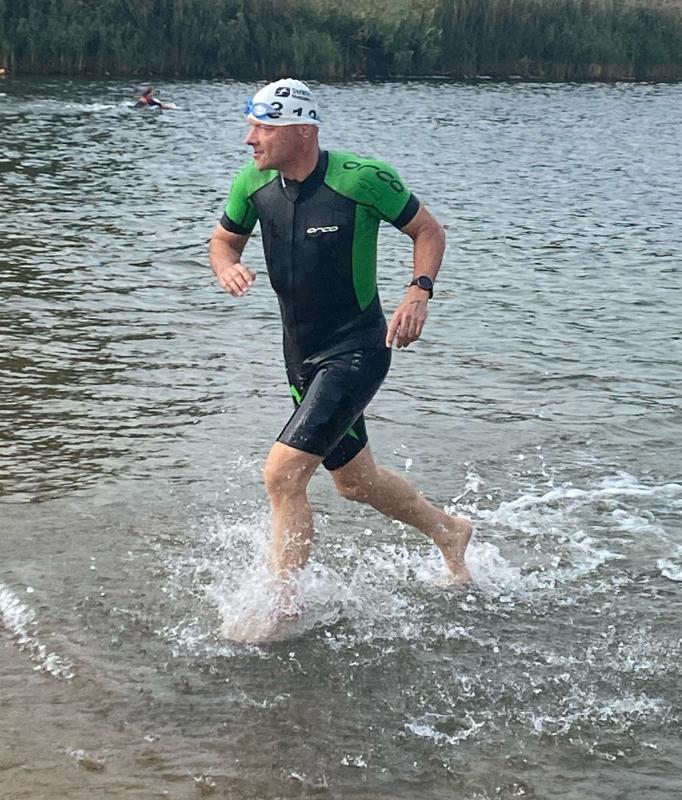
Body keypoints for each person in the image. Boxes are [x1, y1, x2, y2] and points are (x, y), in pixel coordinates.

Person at [209, 78, 472, 608]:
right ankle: (449, 531)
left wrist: (418, 292)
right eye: (252, 126)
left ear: (303, 130)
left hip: (356, 349)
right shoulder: (252, 184)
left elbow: (428, 230)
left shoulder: (361, 179)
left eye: (263, 128)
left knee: (283, 474)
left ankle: (281, 605)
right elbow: (223, 241)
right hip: (299, 356)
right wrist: (227, 266)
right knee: (355, 481)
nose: (250, 139)